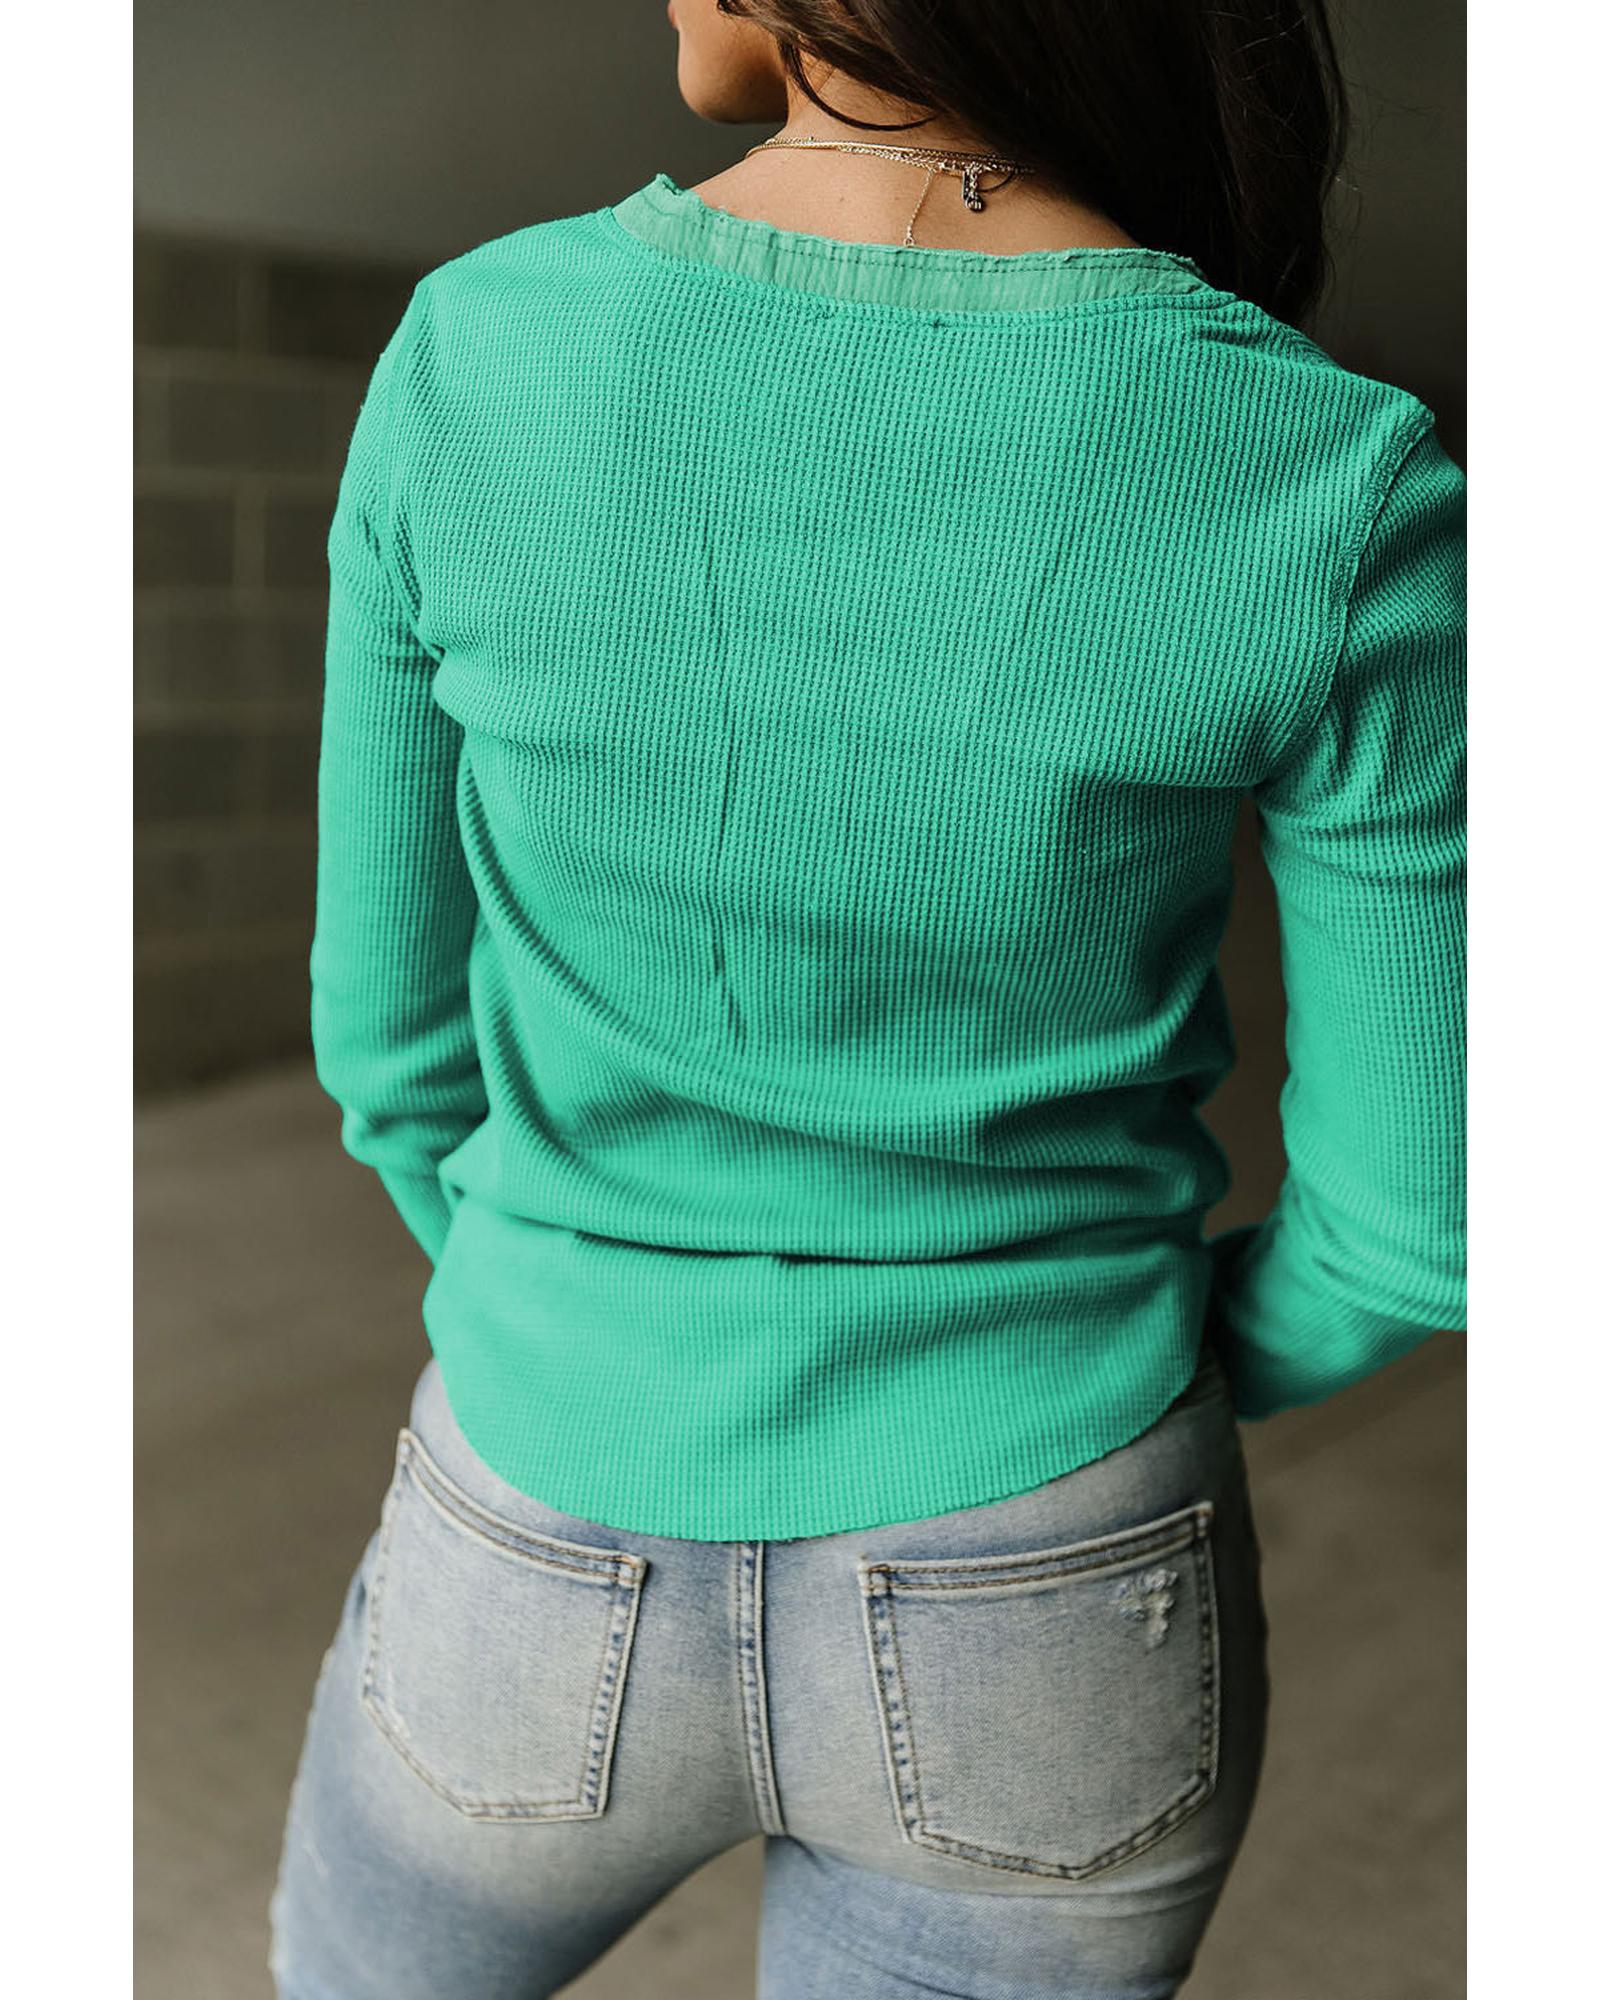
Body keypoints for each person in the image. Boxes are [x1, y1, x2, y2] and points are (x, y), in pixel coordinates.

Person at [269, 2, 1466, 1994]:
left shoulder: (477, 351)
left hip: (535, 1510)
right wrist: (1128, 1369)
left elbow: (390, 1055)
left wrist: (572, 1311)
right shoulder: (1327, 471)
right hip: (1056, 1565)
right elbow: (1417, 1225)